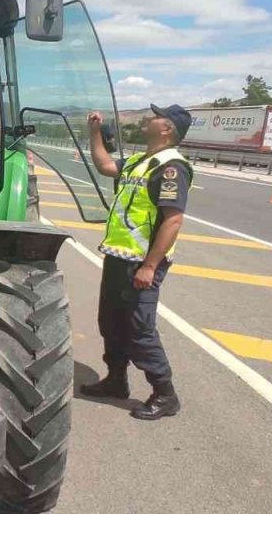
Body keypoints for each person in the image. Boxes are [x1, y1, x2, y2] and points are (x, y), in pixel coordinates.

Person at [80, 103, 194, 421]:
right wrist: (94, 133)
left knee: (140, 329)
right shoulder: (138, 161)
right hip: (119, 256)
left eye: (156, 116)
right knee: (111, 322)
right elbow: (104, 165)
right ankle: (116, 380)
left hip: (142, 263)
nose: (148, 118)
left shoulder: (171, 167)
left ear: (167, 128)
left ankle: (165, 394)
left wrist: (150, 266)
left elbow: (173, 220)